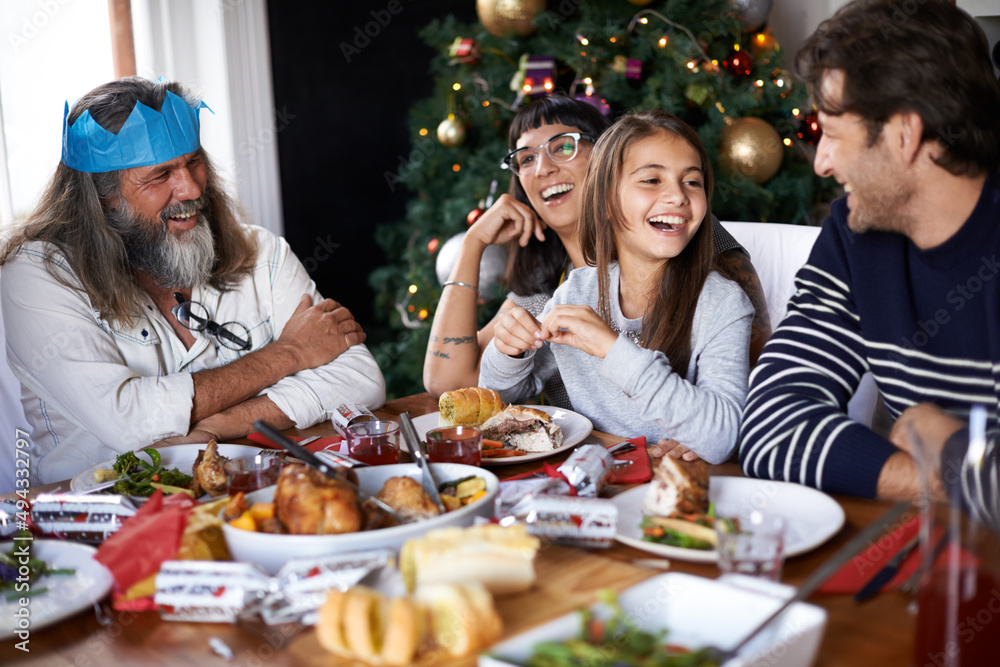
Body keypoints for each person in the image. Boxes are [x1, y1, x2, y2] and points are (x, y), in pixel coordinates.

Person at [0, 77, 385, 484]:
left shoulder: (261, 251)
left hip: (248, 487)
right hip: (98, 514)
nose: (191, 186)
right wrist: (289, 353)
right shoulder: (36, 276)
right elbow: (127, 421)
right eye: (161, 174)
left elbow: (360, 378)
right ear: (102, 199)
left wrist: (216, 427)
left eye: (193, 161)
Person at [737, 0, 1000, 520]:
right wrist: (935, 476)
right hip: (932, 561)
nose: (821, 162)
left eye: (833, 134)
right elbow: (771, 423)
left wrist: (950, 448)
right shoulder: (856, 231)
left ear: (905, 134)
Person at [423, 96, 772, 409]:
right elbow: (447, 384)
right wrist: (473, 244)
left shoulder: (679, 235)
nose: (543, 168)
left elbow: (749, 377)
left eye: (563, 147)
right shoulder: (552, 291)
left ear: (608, 156)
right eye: (526, 158)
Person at [479, 111, 753, 464]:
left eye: (692, 182)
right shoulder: (575, 292)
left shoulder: (723, 303)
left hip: (675, 489)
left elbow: (723, 436)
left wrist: (612, 350)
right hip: (595, 482)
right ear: (607, 201)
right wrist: (509, 352)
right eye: (652, 180)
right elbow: (502, 396)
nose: (678, 196)